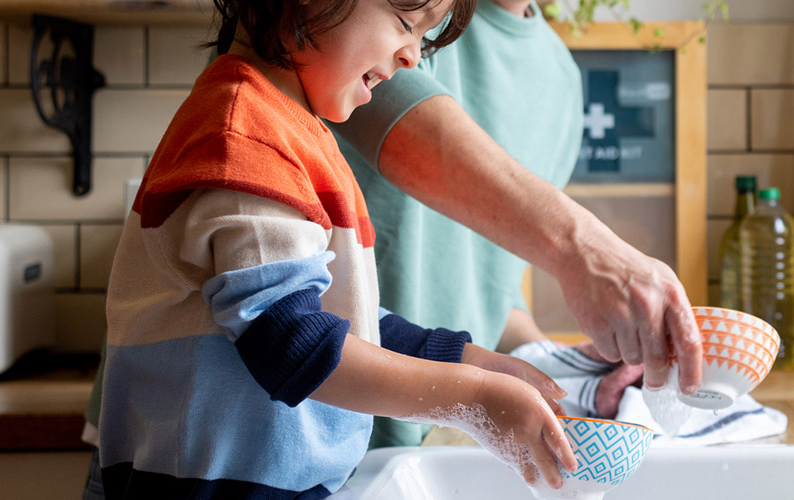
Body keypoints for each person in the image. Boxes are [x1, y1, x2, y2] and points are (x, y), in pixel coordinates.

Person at [87, 0, 595, 496]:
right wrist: (473, 398)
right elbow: (293, 343)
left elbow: (343, 319)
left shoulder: (294, 131)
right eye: (403, 23)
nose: (413, 56)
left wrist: (470, 362)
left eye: (422, 36)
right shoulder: (244, 138)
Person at [328, 0, 646, 448]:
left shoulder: (562, 81)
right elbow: (403, 135)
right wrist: (582, 246)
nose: (412, 52)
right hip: (304, 427)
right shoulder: (401, 12)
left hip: (418, 445)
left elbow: (489, 289)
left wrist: (557, 365)